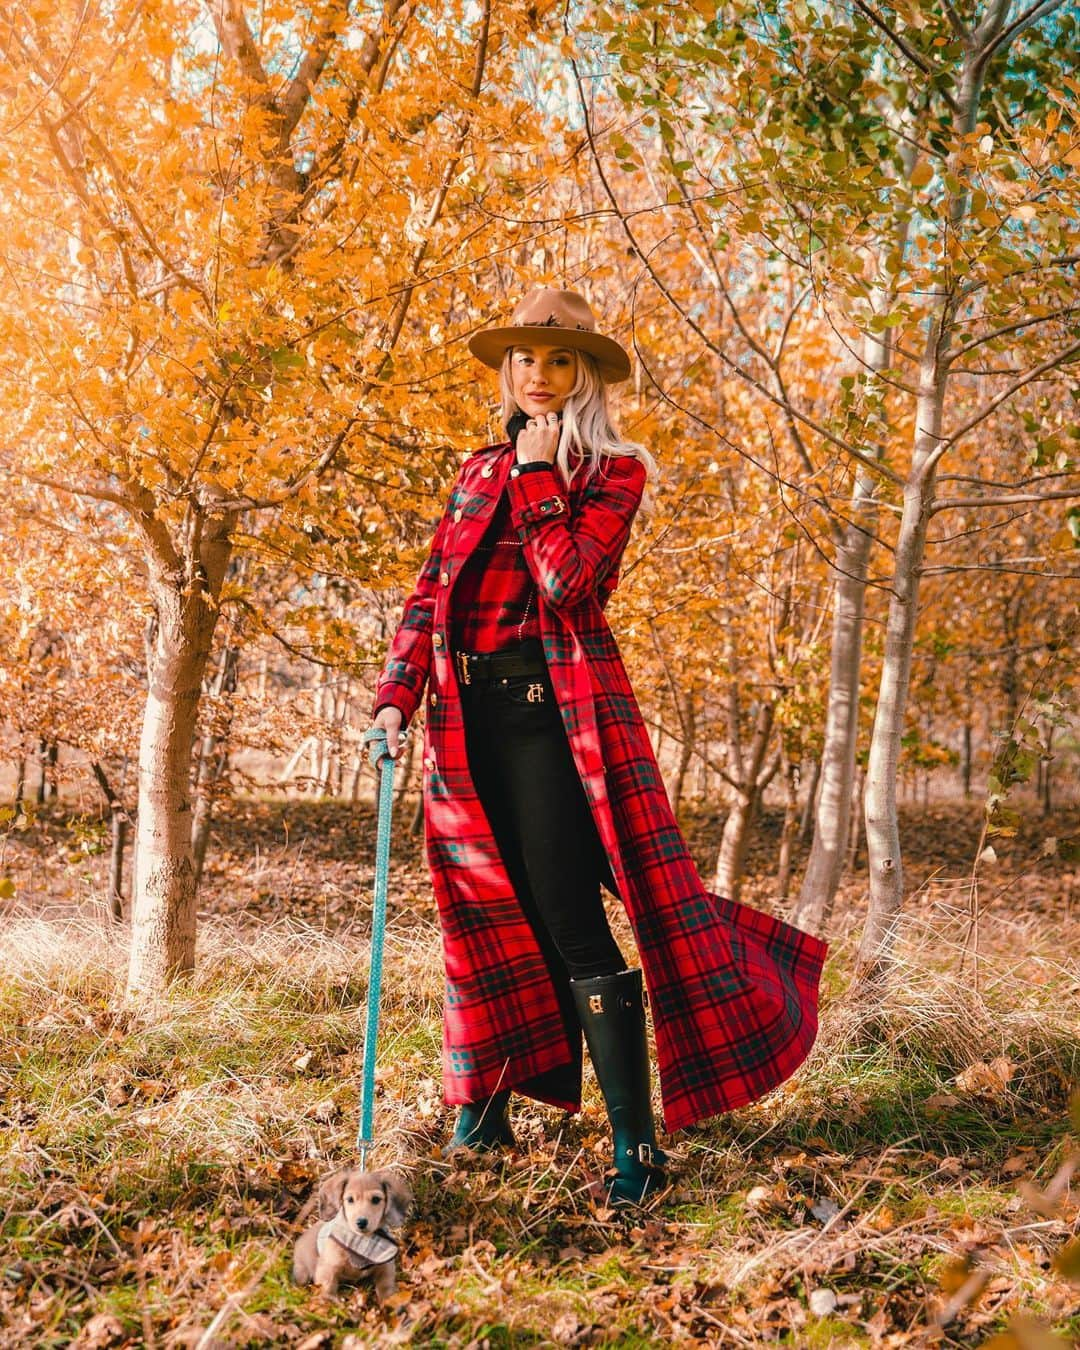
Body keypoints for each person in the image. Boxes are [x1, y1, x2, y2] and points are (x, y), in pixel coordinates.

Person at [369, 286, 827, 1206]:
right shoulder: (472, 469)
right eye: (525, 358)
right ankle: (488, 1104)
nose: (538, 375)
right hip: (462, 721)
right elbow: (431, 592)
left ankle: (637, 1147)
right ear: (508, 368)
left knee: (572, 920)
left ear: (585, 375)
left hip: (555, 720)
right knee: (486, 913)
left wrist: (539, 476)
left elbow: (569, 583)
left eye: (559, 360)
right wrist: (394, 696)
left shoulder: (614, 472)